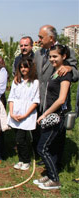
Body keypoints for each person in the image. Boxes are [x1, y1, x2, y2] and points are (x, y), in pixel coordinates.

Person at [34, 25, 78, 167]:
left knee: (57, 135)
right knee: (45, 131)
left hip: (57, 101)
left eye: (41, 37)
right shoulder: (39, 53)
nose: (39, 40)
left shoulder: (66, 51)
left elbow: (76, 73)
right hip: (42, 100)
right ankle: (47, 158)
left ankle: (57, 163)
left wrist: (69, 68)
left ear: (51, 38)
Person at [33, 45, 72, 190]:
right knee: (51, 147)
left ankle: (55, 180)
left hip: (56, 116)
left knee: (42, 148)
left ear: (64, 57)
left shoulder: (64, 74)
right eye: (50, 56)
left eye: (55, 56)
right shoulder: (55, 72)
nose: (52, 59)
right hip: (51, 114)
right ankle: (50, 174)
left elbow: (61, 99)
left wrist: (44, 114)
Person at [7, 57, 39, 170]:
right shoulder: (16, 81)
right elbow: (11, 98)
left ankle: (26, 160)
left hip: (26, 115)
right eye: (21, 67)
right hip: (15, 113)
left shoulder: (35, 82)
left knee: (22, 139)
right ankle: (21, 159)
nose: (23, 69)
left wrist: (26, 115)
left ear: (30, 68)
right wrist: (11, 113)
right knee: (18, 139)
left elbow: (35, 100)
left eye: (25, 67)